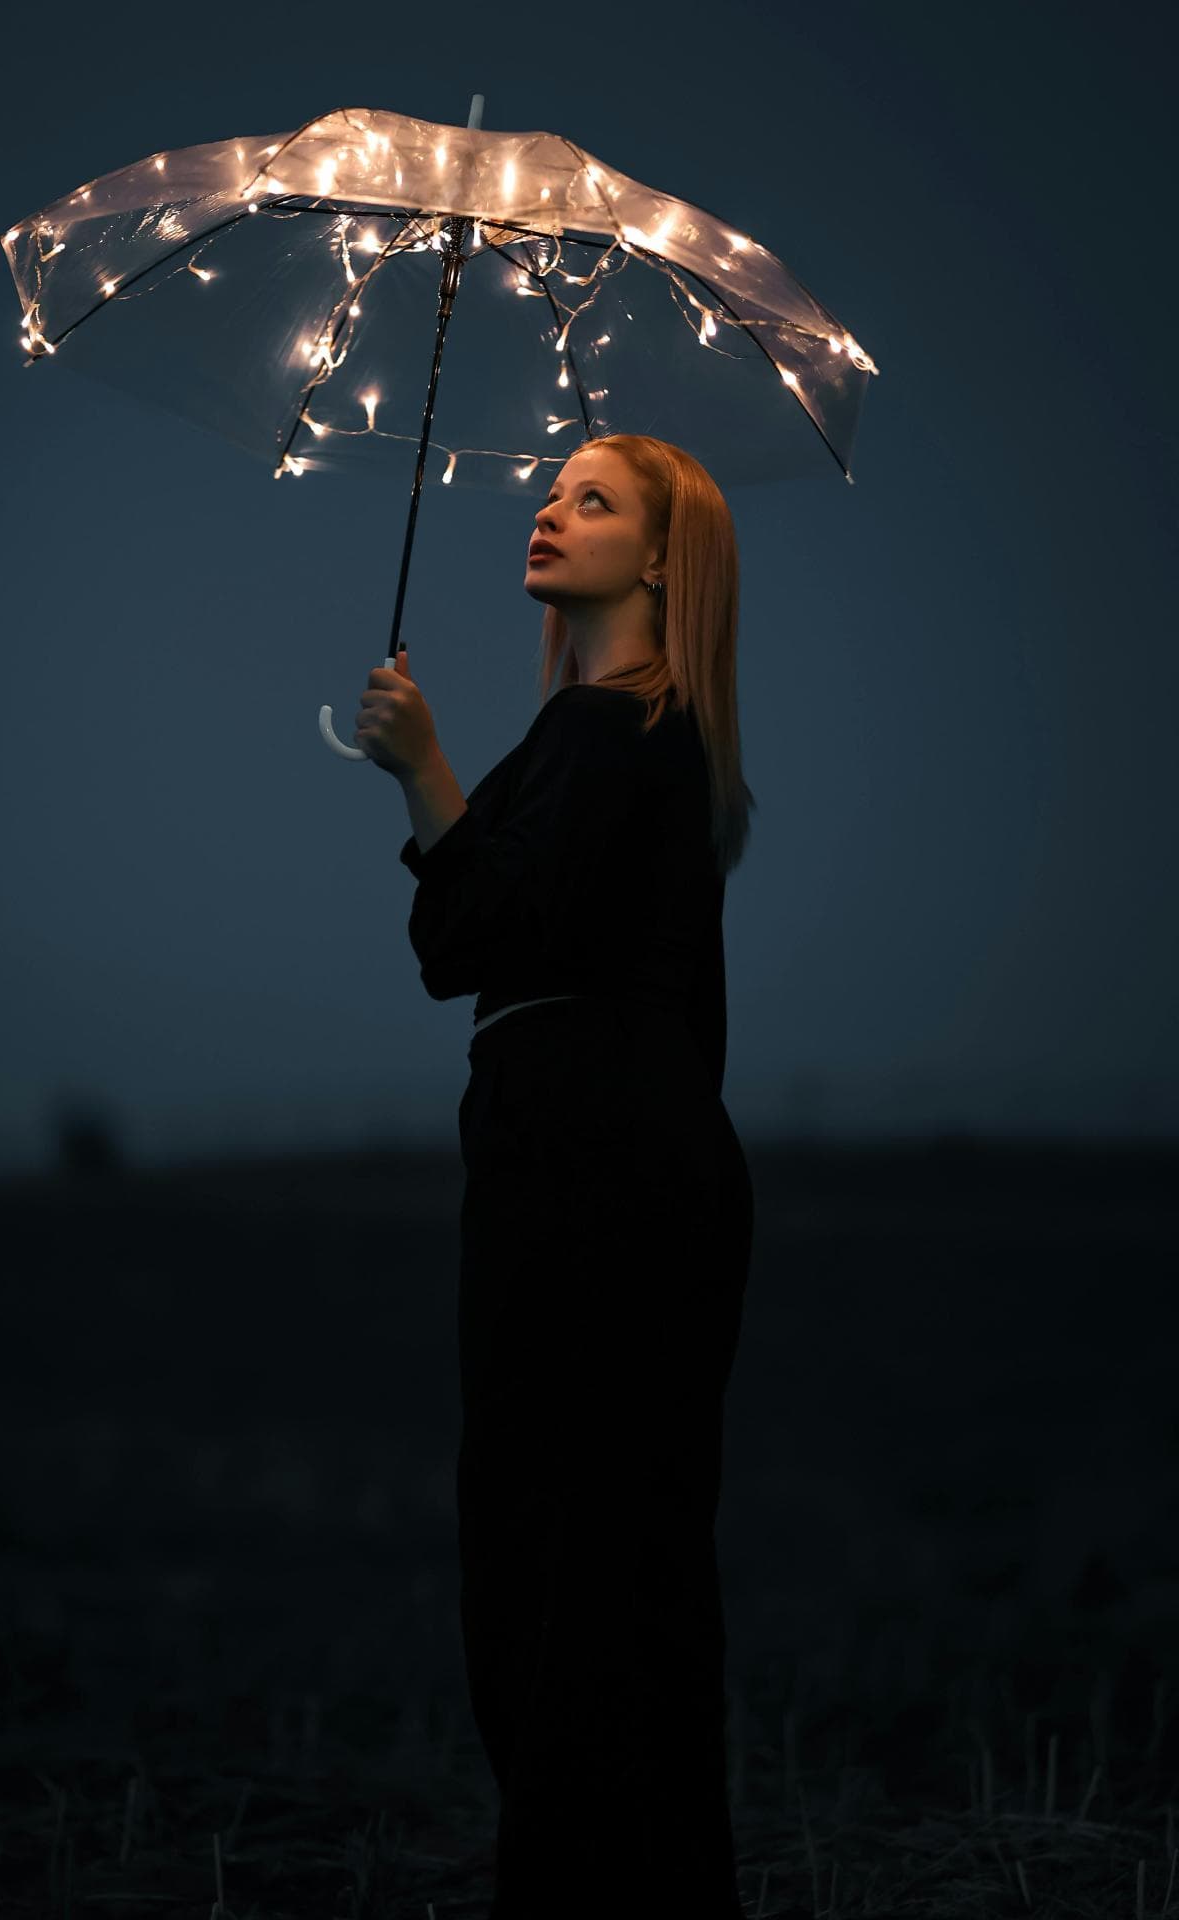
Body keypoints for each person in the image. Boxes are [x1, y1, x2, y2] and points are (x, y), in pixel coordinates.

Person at [358, 433, 758, 1918]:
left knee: (565, 1577)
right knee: (599, 1569)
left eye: (594, 500)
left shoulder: (620, 733)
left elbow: (475, 944)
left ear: (662, 560)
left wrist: (424, 768)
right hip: (597, 1164)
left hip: (596, 1174)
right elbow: (464, 945)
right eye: (551, 489)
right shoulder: (597, 733)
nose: (549, 507)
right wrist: (442, 782)